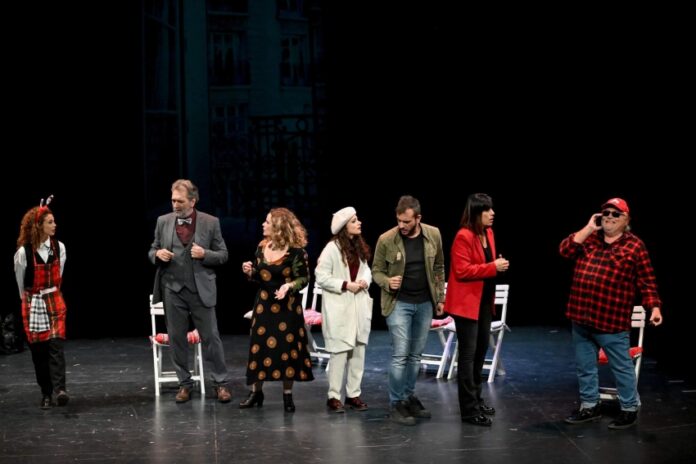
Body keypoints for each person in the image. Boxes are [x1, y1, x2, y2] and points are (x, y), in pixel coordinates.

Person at [560, 197, 663, 430]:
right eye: (606, 212)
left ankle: (629, 408)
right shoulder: (590, 238)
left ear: (626, 219)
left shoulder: (635, 246)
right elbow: (565, 250)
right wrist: (588, 228)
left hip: (611, 320)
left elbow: (647, 281)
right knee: (585, 366)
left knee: (622, 367)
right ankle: (590, 406)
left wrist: (654, 307)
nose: (609, 217)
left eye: (616, 214)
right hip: (581, 316)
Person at [149, 179, 232, 403]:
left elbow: (223, 254)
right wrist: (157, 255)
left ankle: (220, 383)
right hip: (173, 288)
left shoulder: (210, 222)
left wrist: (205, 254)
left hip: (200, 289)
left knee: (211, 337)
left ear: (192, 201)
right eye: (173, 200)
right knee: (177, 338)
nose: (175, 205)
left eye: (180, 201)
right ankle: (184, 383)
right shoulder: (163, 221)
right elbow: (152, 249)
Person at [372, 195, 446, 425]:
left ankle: (408, 396)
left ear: (418, 218)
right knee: (401, 354)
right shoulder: (387, 239)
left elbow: (439, 267)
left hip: (424, 302)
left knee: (415, 355)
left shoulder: (433, 234)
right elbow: (376, 271)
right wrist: (387, 281)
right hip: (399, 303)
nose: (402, 225)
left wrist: (440, 298)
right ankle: (396, 403)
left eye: (406, 221)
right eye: (399, 221)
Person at [444, 193, 509, 426]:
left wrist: (496, 265)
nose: (492, 213)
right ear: (476, 213)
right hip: (466, 304)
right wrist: (493, 267)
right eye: (487, 210)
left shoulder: (488, 233)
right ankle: (469, 410)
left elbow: (484, 264)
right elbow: (462, 270)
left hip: (483, 302)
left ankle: (477, 400)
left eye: (492, 209)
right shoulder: (463, 236)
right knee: (468, 356)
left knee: (480, 352)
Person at [240, 207, 314, 412]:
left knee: (286, 351)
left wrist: (288, 286)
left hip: (287, 308)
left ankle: (287, 395)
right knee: (259, 348)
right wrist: (250, 272)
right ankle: (256, 392)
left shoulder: (296, 252)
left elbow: (304, 278)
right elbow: (259, 276)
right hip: (264, 306)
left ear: (279, 227)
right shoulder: (262, 247)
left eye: (267, 221)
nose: (263, 224)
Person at [315, 207, 373, 413]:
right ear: (344, 226)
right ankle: (333, 396)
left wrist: (365, 281)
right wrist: (345, 284)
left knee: (358, 352)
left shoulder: (358, 247)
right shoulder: (332, 249)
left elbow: (366, 270)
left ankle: (353, 394)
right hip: (340, 307)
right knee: (339, 353)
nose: (359, 223)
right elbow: (321, 277)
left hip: (358, 306)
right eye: (354, 221)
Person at [14, 196, 69, 409]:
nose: (55, 225)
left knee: (56, 346)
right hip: (33, 302)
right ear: (39, 225)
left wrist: (51, 294)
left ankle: (60, 390)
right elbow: (21, 283)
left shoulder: (59, 247)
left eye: (54, 221)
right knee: (39, 353)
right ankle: (46, 393)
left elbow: (59, 275)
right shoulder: (24, 253)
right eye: (50, 222)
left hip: (54, 299)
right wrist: (29, 303)